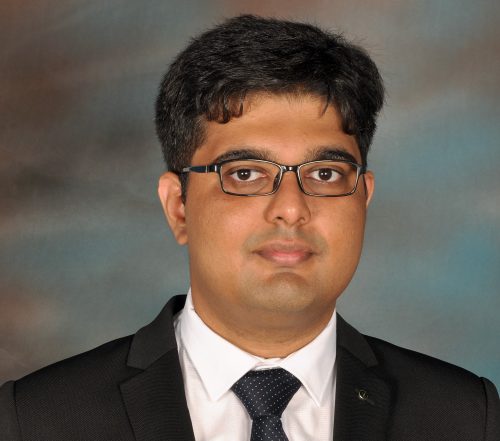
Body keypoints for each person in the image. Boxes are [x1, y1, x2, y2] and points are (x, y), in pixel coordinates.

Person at [0, 14, 498, 441]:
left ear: (363, 198)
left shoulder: (463, 417)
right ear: (178, 207)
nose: (291, 209)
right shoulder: (37, 420)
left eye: (325, 174)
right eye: (244, 174)